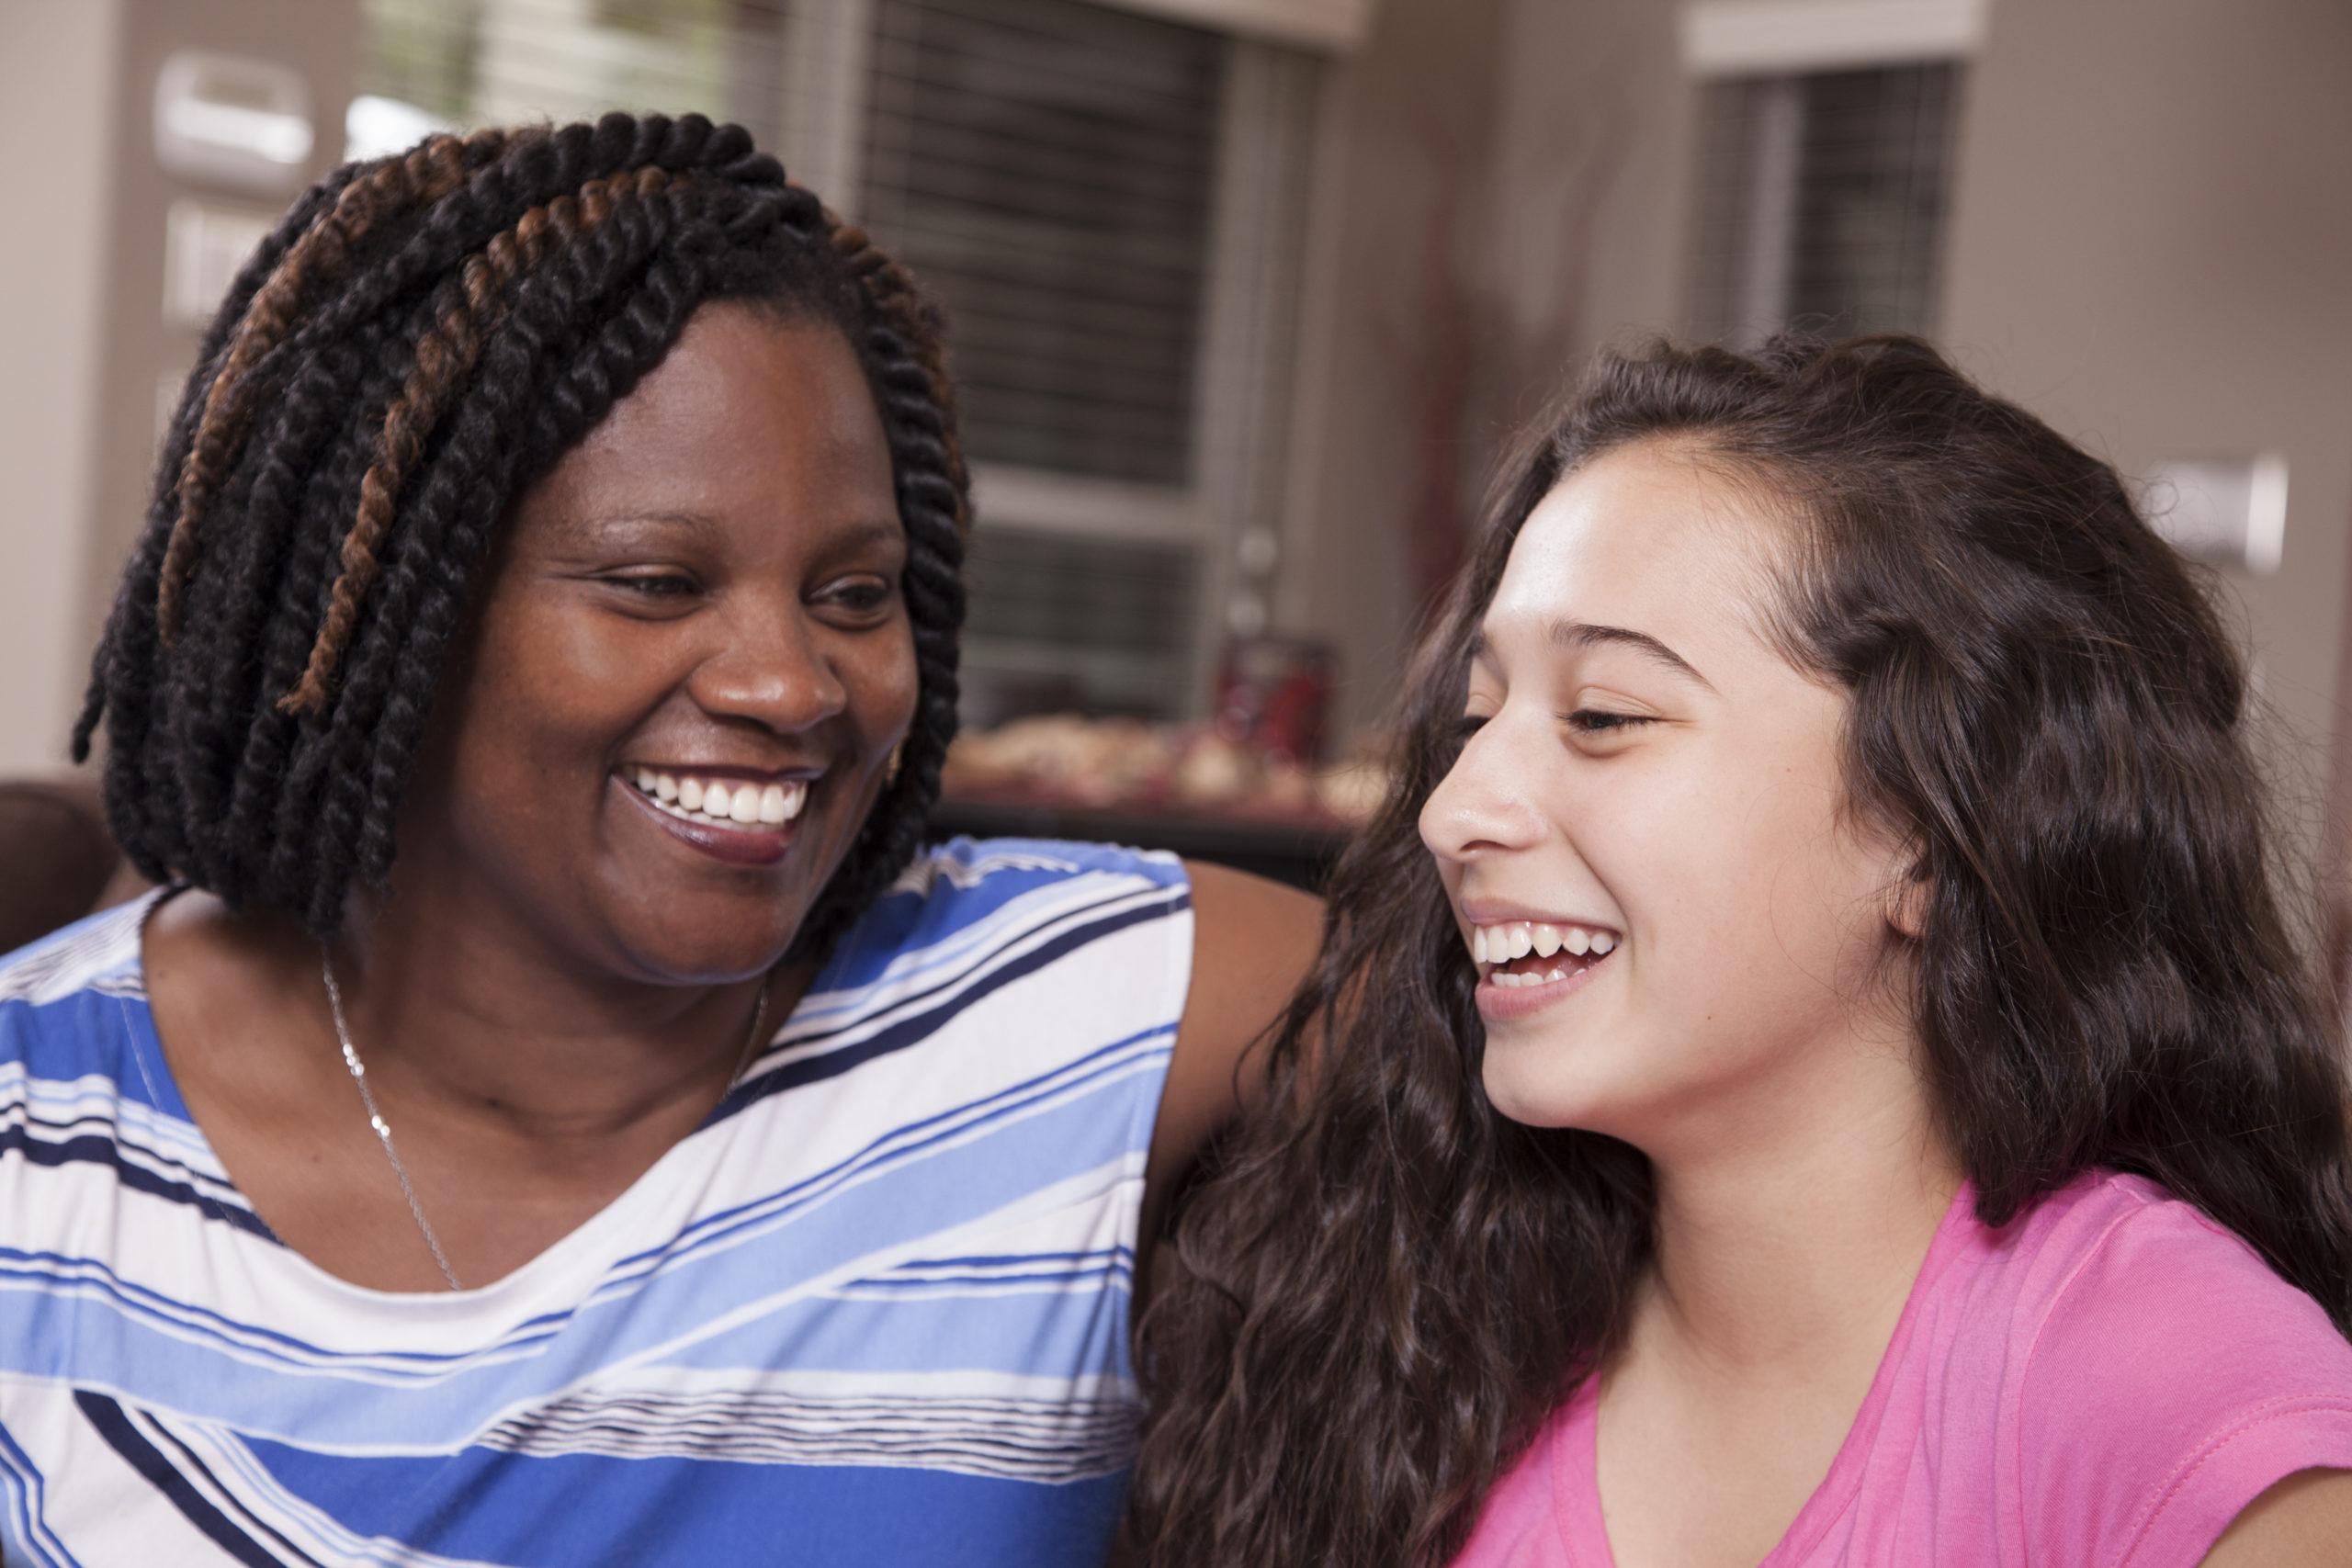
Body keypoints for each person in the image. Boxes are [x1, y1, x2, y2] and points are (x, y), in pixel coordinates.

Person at [0, 114, 1317, 1566]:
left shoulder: (1081, 1013)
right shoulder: (37, 1139)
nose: (791, 684)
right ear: (382, 625)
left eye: (855, 594)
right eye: (652, 581)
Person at [1122, 334, 2352, 1567]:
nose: (1453, 812)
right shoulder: (1422, 1341)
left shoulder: (2174, 1391)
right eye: (1477, 718)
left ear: (1928, 829)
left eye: (1604, 716)